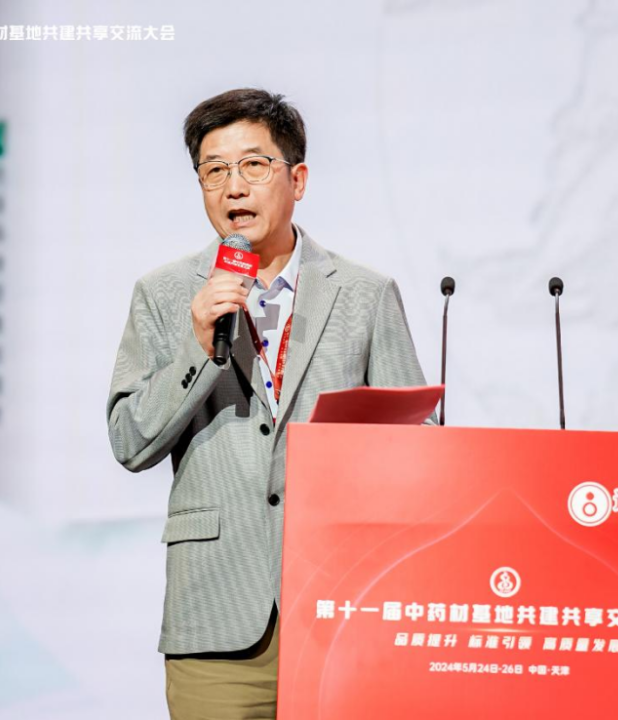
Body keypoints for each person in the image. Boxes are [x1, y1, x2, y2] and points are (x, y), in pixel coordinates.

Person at [106, 88, 429, 720]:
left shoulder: (363, 294)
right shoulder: (164, 295)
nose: (233, 188)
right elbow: (128, 440)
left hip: (345, 609)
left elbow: (420, 441)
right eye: (214, 171)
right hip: (216, 619)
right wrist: (199, 347)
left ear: (297, 179)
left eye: (253, 165)